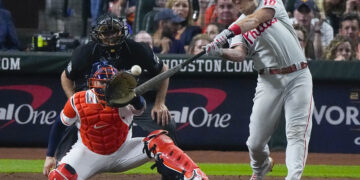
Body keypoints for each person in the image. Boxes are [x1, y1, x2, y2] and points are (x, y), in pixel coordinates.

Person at [205, 0, 314, 179]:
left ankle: (293, 177)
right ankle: (261, 166)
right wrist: (219, 52)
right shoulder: (236, 27)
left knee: (297, 132)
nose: (238, 2)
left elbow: (256, 19)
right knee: (255, 143)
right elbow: (239, 54)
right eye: (235, 1)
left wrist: (225, 33)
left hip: (298, 75)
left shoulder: (270, 3)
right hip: (268, 80)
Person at [43, 63, 208, 180]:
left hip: (123, 152)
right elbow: (59, 126)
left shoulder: (125, 97)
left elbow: (141, 108)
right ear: (92, 83)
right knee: (58, 176)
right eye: (102, 81)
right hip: (88, 154)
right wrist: (50, 156)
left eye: (110, 82)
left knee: (160, 140)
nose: (106, 86)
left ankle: (194, 176)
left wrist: (133, 96)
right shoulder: (78, 101)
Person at [57, 14, 177, 164]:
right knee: (70, 124)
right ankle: (60, 165)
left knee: (166, 124)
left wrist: (160, 103)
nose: (110, 36)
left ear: (122, 31)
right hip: (96, 103)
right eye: (105, 32)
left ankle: (170, 172)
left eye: (114, 31)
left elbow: (163, 70)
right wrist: (74, 102)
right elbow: (66, 76)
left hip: (131, 102)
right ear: (98, 34)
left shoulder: (136, 49)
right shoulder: (85, 52)